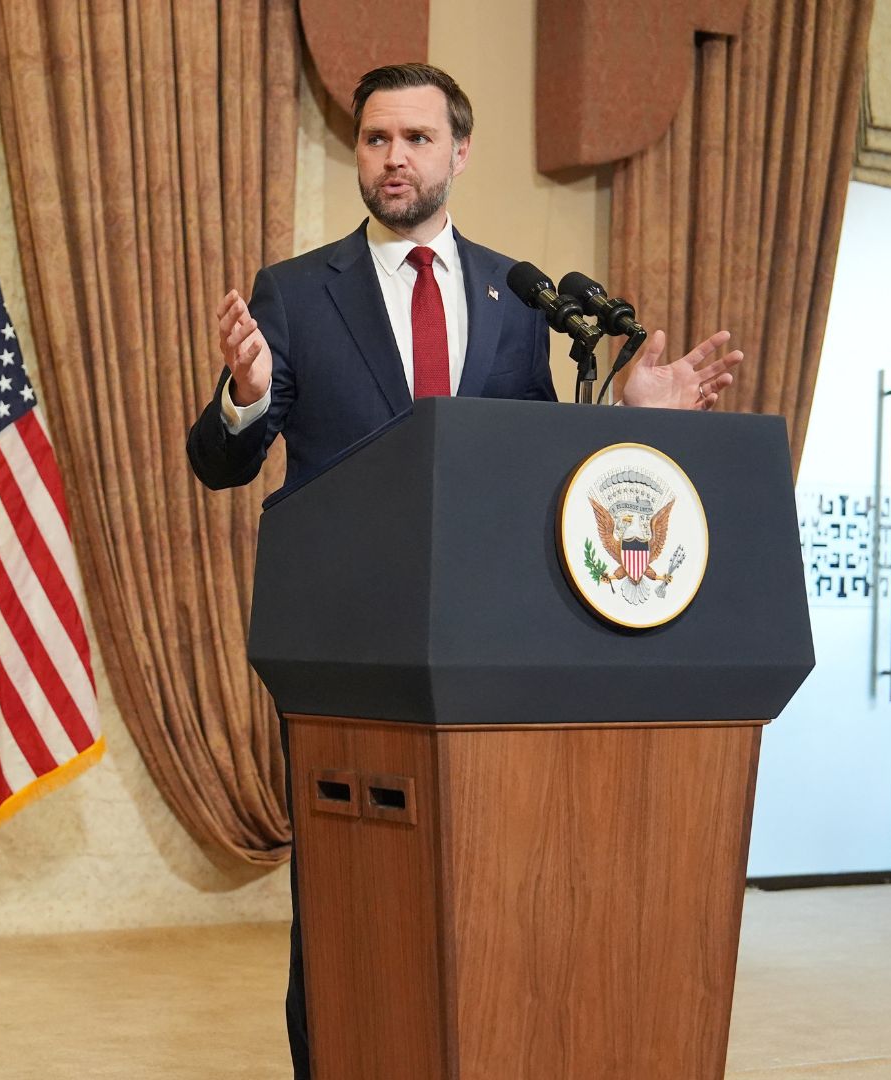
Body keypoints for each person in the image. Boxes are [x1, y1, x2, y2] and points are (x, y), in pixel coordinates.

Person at [183, 63, 743, 1078]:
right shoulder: (297, 294)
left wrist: (628, 421)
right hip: (348, 650)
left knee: (490, 895)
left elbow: (536, 477)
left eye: (415, 139)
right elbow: (219, 464)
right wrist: (246, 393)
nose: (393, 157)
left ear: (459, 153)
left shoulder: (520, 296)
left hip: (488, 653)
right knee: (349, 909)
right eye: (374, 140)